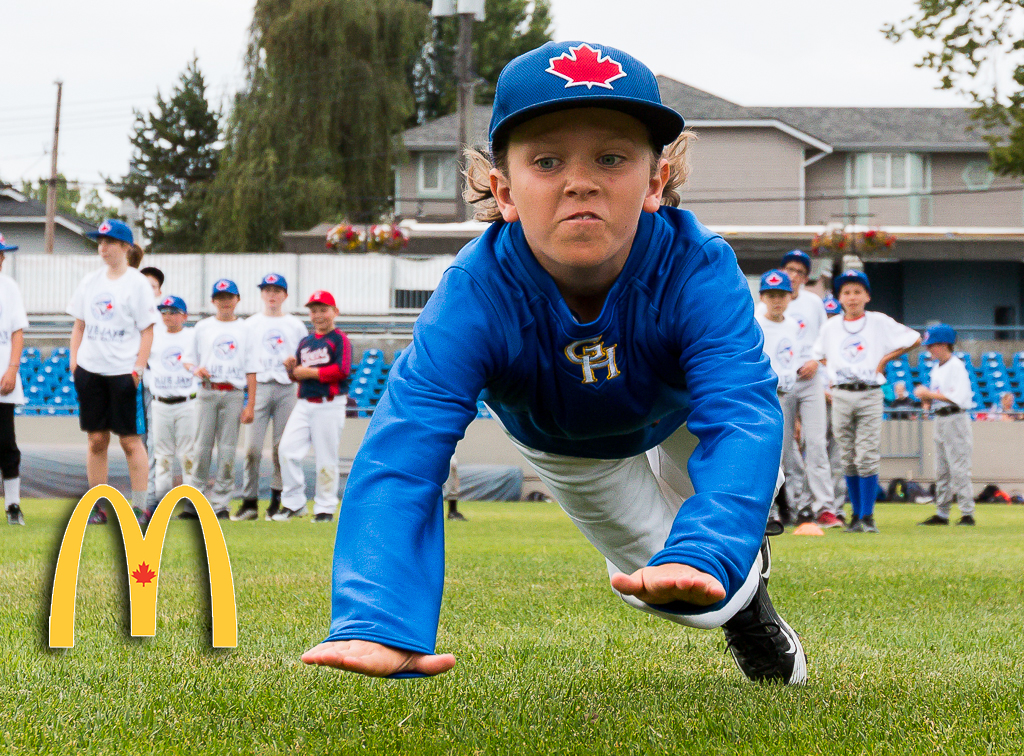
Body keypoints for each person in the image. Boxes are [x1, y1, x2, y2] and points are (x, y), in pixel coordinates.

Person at [301, 41, 806, 685]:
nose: (580, 181)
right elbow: (405, 447)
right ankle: (746, 611)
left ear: (656, 181)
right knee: (698, 602)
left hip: (681, 413)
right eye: (546, 160)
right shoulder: (475, 293)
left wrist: (714, 540)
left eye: (612, 157)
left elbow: (740, 412)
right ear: (503, 189)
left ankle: (741, 541)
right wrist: (378, 617)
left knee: (719, 532)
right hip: (572, 447)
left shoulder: (697, 261)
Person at [813, 270, 921, 533]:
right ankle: (855, 516)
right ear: (839, 297)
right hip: (841, 392)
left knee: (867, 454)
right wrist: (836, 371)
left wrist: (884, 360)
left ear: (867, 296)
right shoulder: (831, 326)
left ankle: (867, 515)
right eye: (846, 292)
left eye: (857, 292)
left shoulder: (877, 321)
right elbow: (819, 355)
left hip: (869, 391)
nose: (852, 297)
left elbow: (915, 338)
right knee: (848, 456)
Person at [67, 219, 157, 524]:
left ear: (125, 247)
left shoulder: (137, 283)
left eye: (109, 242)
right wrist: (75, 363)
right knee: (96, 440)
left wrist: (138, 369)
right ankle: (97, 505)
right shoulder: (90, 282)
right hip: (91, 370)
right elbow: (79, 324)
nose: (103, 248)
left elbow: (147, 330)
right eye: (99, 242)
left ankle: (140, 506)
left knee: (131, 441)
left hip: (123, 373)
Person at [757, 251, 837, 528]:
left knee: (815, 444)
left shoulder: (806, 309)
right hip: (773, 390)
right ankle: (778, 509)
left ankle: (821, 507)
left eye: (800, 271)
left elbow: (824, 341)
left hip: (806, 378)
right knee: (779, 451)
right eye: (789, 268)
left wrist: (819, 365)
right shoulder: (756, 318)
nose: (778, 298)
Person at [233, 274, 308, 521]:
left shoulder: (295, 325)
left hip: (287, 387)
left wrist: (294, 365)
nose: (272, 295)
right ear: (262, 294)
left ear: (285, 295)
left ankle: (277, 500)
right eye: (267, 290)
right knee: (252, 448)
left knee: (280, 448)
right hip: (260, 386)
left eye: (277, 290)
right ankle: (249, 501)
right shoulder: (250, 324)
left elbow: (304, 356)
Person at [274, 290, 351, 523]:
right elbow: (296, 377)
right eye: (314, 310)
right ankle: (294, 503)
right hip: (305, 403)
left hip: (329, 404)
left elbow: (342, 370)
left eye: (323, 309)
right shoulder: (306, 342)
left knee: (326, 457)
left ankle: (325, 507)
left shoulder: (339, 339)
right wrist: (290, 368)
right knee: (286, 450)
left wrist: (309, 372)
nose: (318, 315)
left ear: (334, 312)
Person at [185, 279, 255, 518]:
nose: (225, 302)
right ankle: (195, 500)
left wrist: (250, 404)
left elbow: (251, 369)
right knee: (201, 448)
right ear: (213, 301)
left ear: (237, 300)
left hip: (233, 392)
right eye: (220, 298)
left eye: (229, 297)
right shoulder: (203, 327)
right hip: (207, 390)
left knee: (227, 450)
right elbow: (188, 359)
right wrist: (196, 369)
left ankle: (221, 503)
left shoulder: (245, 329)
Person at [914, 325, 976, 526]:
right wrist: (927, 402)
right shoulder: (937, 367)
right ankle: (942, 513)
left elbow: (957, 398)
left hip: (955, 417)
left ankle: (967, 514)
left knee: (959, 468)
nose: (929, 349)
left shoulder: (956, 365)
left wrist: (928, 395)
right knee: (941, 469)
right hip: (940, 417)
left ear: (943, 345)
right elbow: (937, 395)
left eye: (932, 345)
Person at [754, 270, 800, 533]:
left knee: (787, 456)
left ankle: (786, 508)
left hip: (787, 394)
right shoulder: (754, 322)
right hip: (764, 395)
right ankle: (767, 513)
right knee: (768, 454)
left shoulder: (793, 325)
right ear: (762, 297)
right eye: (771, 295)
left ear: (789, 297)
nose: (777, 300)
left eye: (781, 295)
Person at [145, 295, 197, 517]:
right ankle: (162, 505)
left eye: (173, 311)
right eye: (164, 311)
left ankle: (192, 504)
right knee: (162, 457)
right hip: (161, 402)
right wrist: (153, 383)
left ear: (184, 316)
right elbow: (142, 363)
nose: (168, 316)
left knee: (188, 455)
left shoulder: (192, 337)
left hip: (187, 401)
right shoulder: (154, 337)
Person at [0, 233, 27, 525]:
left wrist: (12, 368)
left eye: (3, 254)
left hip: (2, 378)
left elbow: (18, 331)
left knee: (6, 443)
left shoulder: (9, 288)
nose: (2, 259)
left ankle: (13, 506)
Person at [139, 266, 166, 515]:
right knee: (137, 443)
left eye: (153, 287)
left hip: (157, 390)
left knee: (155, 445)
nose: (149, 291)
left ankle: (149, 501)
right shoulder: (129, 315)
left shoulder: (164, 320)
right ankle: (143, 497)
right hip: (134, 387)